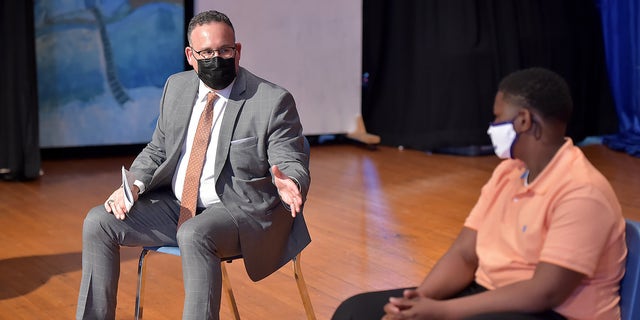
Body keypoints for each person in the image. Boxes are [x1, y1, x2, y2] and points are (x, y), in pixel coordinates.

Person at [332, 68, 626, 320]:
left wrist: (444, 312)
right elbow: (464, 254)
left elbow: (545, 291)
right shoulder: (507, 172)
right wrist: (418, 300)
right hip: (491, 295)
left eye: (498, 118)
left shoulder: (582, 192)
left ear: (523, 121)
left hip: (552, 312)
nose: (491, 127)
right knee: (356, 311)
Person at [76, 10, 311, 320]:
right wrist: (133, 184)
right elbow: (158, 148)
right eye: (207, 53)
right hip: (179, 205)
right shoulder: (177, 87)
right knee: (98, 222)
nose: (217, 58)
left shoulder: (270, 100)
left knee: (194, 234)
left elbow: (289, 157)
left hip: (239, 213)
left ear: (237, 50)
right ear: (190, 55)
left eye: (225, 50)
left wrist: (291, 182)